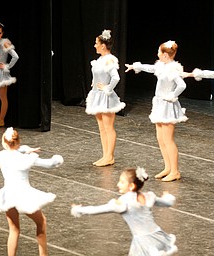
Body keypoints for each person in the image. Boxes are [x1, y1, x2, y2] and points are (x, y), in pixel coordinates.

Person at [71, 167, 178, 256]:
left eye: (122, 182)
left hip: (144, 242)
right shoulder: (149, 196)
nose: (118, 184)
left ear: (131, 186)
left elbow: (97, 209)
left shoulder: (124, 202)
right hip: (159, 237)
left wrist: (79, 209)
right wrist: (167, 197)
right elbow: (168, 203)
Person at [0, 127, 64, 256]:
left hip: (8, 195)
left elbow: (16, 150)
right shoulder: (27, 159)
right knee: (41, 223)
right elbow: (51, 164)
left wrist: (27, 149)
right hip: (24, 195)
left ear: (4, 143)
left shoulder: (2, 156)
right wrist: (58, 158)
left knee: (14, 229)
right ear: (18, 142)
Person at [125, 40, 187, 182]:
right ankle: (168, 167)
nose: (157, 54)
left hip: (167, 106)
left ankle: (175, 171)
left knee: (168, 139)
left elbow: (182, 85)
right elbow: (150, 68)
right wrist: (136, 66)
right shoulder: (162, 66)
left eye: (159, 52)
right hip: (159, 104)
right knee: (160, 138)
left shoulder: (172, 69)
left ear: (165, 55)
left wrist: (172, 95)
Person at [85, 29, 126, 167]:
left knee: (108, 127)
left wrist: (107, 88)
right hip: (97, 95)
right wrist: (94, 81)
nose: (94, 45)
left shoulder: (109, 60)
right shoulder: (100, 59)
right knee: (102, 127)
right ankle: (105, 155)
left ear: (103, 45)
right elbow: (98, 73)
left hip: (106, 97)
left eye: (96, 43)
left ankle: (110, 156)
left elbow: (116, 77)